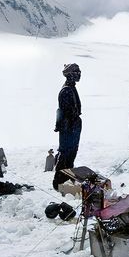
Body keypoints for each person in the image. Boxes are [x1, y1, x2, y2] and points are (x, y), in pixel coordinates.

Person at [53, 63, 82, 191]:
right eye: (76, 72)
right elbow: (66, 111)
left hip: (72, 125)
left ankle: (66, 179)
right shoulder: (66, 90)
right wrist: (69, 125)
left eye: (79, 72)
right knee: (65, 153)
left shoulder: (71, 88)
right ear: (69, 74)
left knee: (71, 153)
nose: (78, 74)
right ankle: (59, 181)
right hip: (68, 127)